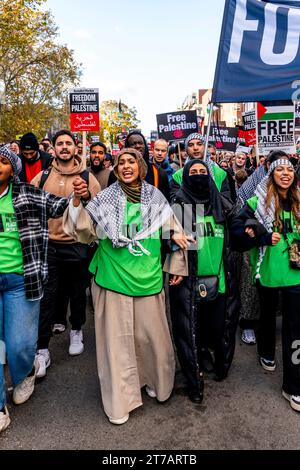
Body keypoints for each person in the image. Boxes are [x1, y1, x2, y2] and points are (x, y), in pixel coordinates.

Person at [63, 148, 188, 425]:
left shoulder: (156, 196)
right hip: (113, 280)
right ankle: (120, 401)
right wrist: (77, 200)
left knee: (151, 340)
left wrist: (178, 263)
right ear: (116, 169)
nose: (127, 166)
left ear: (140, 166)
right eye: (122, 163)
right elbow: (84, 232)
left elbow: (177, 229)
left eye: (132, 161)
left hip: (149, 279)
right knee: (117, 346)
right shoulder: (105, 199)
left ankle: (156, 382)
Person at [0, 146, 69, 433]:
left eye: (2, 161)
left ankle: (25, 371)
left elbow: (60, 206)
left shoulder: (27, 194)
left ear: (12, 169)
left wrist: (81, 193)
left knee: (19, 345)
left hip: (21, 279)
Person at [231, 159, 300, 411]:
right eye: (280, 170)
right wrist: (260, 235)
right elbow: (236, 231)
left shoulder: (299, 199)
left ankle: (293, 386)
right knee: (267, 317)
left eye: (290, 170)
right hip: (268, 271)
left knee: (295, 328)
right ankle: (266, 352)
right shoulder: (256, 201)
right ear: (271, 174)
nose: (285, 174)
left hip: (296, 275)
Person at [30, 130, 100, 378]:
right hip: (48, 245)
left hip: (77, 244)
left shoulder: (87, 176)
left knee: (77, 290)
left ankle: (77, 329)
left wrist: (86, 195)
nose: (64, 147)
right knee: (47, 296)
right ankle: (42, 349)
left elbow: (98, 210)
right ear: (55, 149)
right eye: (60, 143)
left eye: (68, 143)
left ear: (75, 148)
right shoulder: (43, 175)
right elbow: (30, 203)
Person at [169, 160, 239, 404]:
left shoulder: (223, 205)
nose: (198, 176)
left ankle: (212, 358)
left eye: (203, 172)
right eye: (193, 172)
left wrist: (253, 230)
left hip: (220, 280)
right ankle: (193, 375)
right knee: (190, 331)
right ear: (185, 177)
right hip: (189, 282)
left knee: (217, 326)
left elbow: (239, 231)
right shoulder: (180, 205)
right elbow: (170, 241)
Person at [170, 133, 234, 202]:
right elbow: (175, 204)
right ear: (186, 149)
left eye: (199, 144)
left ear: (205, 147)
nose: (195, 148)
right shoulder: (178, 176)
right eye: (191, 145)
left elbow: (227, 201)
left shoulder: (220, 174)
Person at [108, 131, 170, 200]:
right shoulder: (116, 173)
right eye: (133, 144)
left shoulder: (159, 173)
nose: (137, 146)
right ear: (127, 148)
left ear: (145, 146)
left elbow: (165, 202)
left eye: (140, 143)